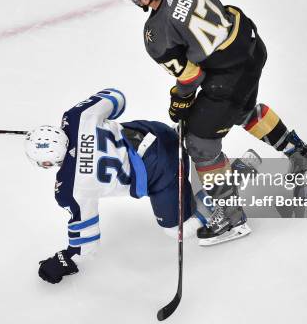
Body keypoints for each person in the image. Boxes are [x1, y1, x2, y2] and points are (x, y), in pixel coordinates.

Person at [117, 0, 307, 243]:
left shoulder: (156, 35)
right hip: (251, 48)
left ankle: (232, 218)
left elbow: (191, 77)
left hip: (229, 75)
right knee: (240, 109)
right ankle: (300, 154)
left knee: (201, 142)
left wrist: (180, 99)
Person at [28, 88, 221, 284]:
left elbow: (87, 243)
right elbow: (117, 98)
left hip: (163, 174)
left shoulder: (69, 189)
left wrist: (65, 258)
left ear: (46, 164)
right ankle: (182, 138)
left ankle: (221, 197)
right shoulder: (77, 117)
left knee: (177, 230)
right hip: (159, 133)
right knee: (127, 132)